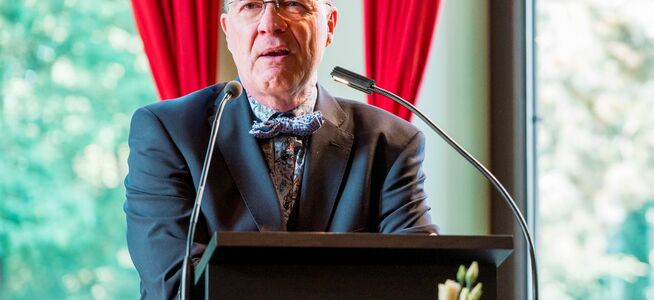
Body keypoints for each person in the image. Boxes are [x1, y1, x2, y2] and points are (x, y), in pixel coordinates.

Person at [123, 0, 438, 298]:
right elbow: (176, 284)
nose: (270, 24)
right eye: (251, 6)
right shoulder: (168, 132)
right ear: (227, 31)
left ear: (329, 25)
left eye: (293, 3)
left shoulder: (392, 142)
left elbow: (419, 278)